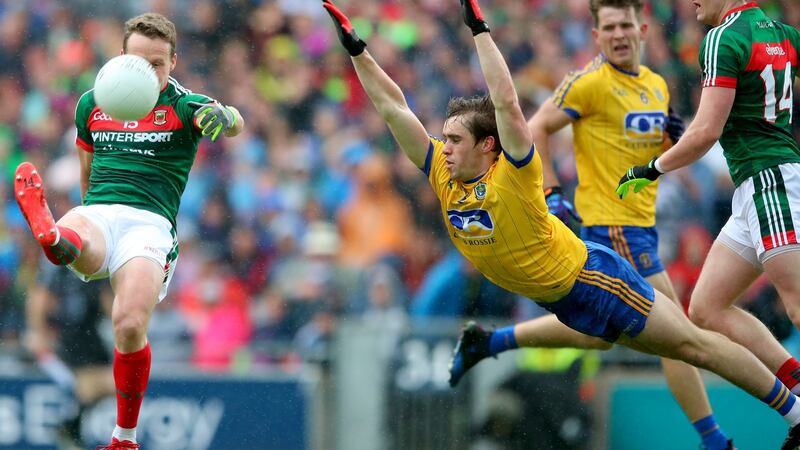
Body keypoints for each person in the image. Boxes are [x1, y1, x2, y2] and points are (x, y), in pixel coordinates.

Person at [321, 0, 800, 447]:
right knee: (663, 335)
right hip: (566, 296)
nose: (442, 148)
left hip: (597, 279)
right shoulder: (443, 177)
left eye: (454, 140)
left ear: (488, 146)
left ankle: (789, 413)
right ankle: (492, 341)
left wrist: (479, 30)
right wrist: (357, 50)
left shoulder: (515, 174)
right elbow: (393, 107)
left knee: (694, 344)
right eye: (442, 139)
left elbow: (508, 105)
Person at [449, 1, 733, 449]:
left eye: (625, 24)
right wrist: (552, 191)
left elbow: (645, 146)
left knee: (601, 338)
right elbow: (537, 126)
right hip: (610, 227)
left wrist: (670, 137)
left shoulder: (655, 85)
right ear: (597, 35)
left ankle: (491, 341)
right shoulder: (587, 82)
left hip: (643, 226)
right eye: (609, 27)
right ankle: (716, 439)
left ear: (641, 28)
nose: (619, 34)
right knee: (681, 337)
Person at [13, 12, 244, 450]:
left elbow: (233, 121)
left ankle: (124, 437)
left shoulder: (183, 105)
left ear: (174, 61)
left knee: (129, 322)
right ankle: (56, 239)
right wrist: (88, 215)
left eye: (157, 63)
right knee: (74, 227)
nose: (148, 72)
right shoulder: (92, 103)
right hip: (99, 211)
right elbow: (86, 177)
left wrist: (226, 115)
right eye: (139, 61)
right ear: (121, 57)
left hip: (149, 225)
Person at [616, 0, 800, 441]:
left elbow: (705, 132)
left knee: (795, 301)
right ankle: (796, 393)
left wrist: (650, 169)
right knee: (705, 308)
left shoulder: (722, 37)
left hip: (768, 184)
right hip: (756, 190)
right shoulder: (782, 34)